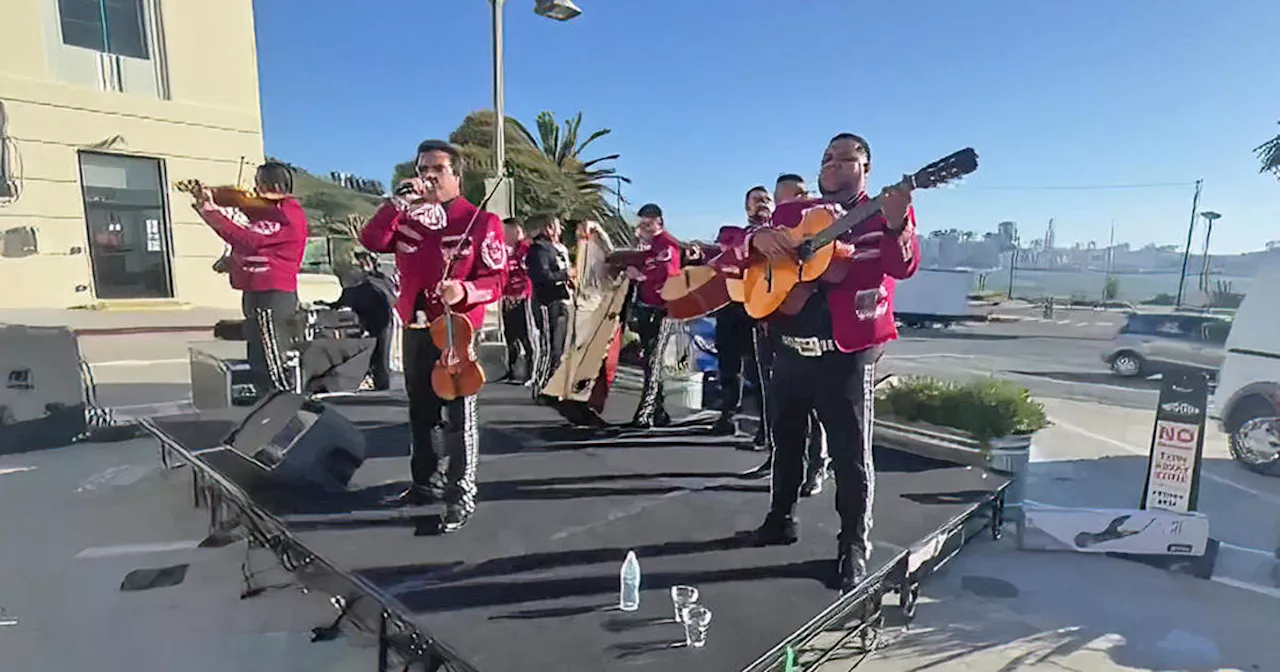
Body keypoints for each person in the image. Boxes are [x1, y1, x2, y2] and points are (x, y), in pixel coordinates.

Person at [736, 134, 919, 592]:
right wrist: (761, 237)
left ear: (867, 169)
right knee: (786, 443)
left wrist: (897, 227)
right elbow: (745, 252)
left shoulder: (885, 212)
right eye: (827, 157)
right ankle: (780, 519)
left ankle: (853, 544)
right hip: (790, 350)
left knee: (850, 457)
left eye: (846, 158)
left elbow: (903, 267)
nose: (833, 164)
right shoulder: (793, 212)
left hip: (847, 354)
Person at [358, 139, 506, 533]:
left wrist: (466, 291)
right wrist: (395, 204)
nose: (427, 176)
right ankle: (424, 481)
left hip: (456, 331)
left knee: (459, 417)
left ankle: (462, 493)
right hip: (415, 327)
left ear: (457, 175)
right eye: (423, 168)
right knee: (420, 412)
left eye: (437, 169)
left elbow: (497, 279)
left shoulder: (479, 221)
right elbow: (371, 241)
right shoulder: (408, 217)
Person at [740, 174, 831, 496]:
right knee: (779, 403)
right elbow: (738, 258)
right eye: (789, 196)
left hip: (811, 329)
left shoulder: (817, 223)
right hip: (770, 328)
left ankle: (817, 467)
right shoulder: (766, 233)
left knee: (818, 406)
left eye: (802, 194)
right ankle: (777, 459)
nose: (800, 200)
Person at [191, 161, 308, 397]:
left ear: (273, 185)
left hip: (272, 292)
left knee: (272, 354)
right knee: (256, 351)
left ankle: (282, 400)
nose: (253, 192)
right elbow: (252, 233)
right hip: (255, 290)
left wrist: (210, 211)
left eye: (258, 185)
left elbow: (248, 239)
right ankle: (263, 398)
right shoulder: (267, 214)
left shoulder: (287, 214)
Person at [622, 203, 682, 428]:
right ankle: (659, 412)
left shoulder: (667, 244)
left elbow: (668, 272)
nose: (645, 226)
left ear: (659, 222)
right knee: (649, 360)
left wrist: (642, 275)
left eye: (649, 222)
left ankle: (645, 413)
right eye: (642, 223)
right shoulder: (646, 248)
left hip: (663, 309)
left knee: (654, 361)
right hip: (646, 307)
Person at [319, 252, 397, 391]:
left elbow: (341, 303)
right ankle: (380, 383)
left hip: (378, 321)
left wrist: (325, 304)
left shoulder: (362, 287)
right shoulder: (382, 281)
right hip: (385, 320)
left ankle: (379, 383)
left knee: (377, 353)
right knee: (381, 353)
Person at [524, 214, 574, 397]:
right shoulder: (539, 250)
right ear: (548, 228)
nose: (560, 230)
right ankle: (542, 385)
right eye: (557, 226)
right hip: (547, 303)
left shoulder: (553, 249)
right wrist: (565, 274)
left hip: (559, 300)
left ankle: (552, 386)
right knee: (549, 346)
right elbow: (543, 276)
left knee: (558, 347)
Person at [498, 218, 538, 384]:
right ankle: (512, 370)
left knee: (527, 336)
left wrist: (522, 294)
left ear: (516, 231)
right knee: (510, 336)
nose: (504, 234)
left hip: (523, 298)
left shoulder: (527, 249)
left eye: (507, 231)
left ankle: (532, 373)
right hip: (507, 298)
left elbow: (531, 274)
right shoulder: (504, 251)